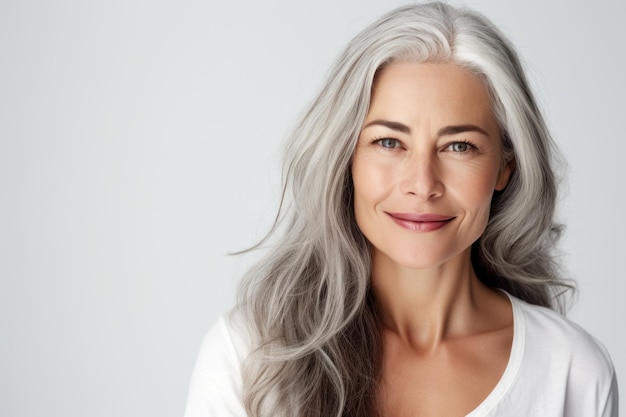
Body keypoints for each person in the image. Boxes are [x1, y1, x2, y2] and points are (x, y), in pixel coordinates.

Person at [184, 2, 618, 416]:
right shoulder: (251, 357)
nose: (422, 184)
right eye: (389, 142)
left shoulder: (572, 371)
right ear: (346, 158)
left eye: (459, 146)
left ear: (505, 167)